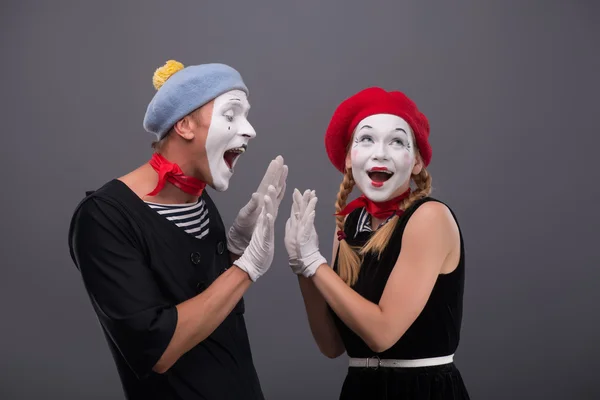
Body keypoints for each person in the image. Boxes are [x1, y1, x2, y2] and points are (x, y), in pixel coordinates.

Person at [68, 59, 288, 400]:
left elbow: (200, 299)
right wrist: (246, 269)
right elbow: (158, 349)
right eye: (231, 115)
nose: (250, 130)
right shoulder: (103, 219)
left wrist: (233, 253)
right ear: (184, 125)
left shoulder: (198, 199)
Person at [284, 87, 470, 399]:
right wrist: (302, 269)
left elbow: (382, 334)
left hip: (421, 392)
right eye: (366, 139)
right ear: (348, 158)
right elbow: (332, 345)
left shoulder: (429, 218)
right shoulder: (349, 224)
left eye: (397, 141)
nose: (380, 152)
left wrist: (315, 262)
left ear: (416, 162)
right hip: (361, 390)